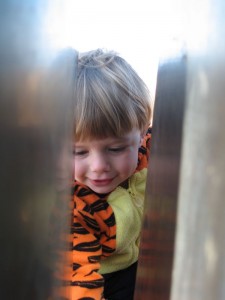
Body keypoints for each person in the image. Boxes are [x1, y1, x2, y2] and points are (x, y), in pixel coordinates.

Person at [72, 48, 152, 300]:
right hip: (98, 280)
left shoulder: (148, 156)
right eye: (79, 152)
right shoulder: (74, 207)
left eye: (115, 148)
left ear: (140, 133)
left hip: (142, 261)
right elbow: (76, 275)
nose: (98, 166)